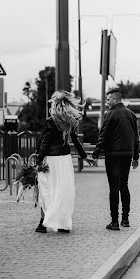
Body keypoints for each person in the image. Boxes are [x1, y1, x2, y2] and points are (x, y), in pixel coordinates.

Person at [35, 90, 94, 233]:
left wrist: (38, 160)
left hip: (50, 160)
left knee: (46, 190)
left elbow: (45, 142)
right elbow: (75, 141)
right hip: (65, 160)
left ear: (55, 105)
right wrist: (84, 156)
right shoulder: (70, 121)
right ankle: (63, 223)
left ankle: (43, 223)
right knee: (63, 191)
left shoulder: (50, 121)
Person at [91, 89, 139, 231]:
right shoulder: (132, 115)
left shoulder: (110, 114)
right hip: (127, 154)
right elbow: (136, 138)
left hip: (113, 155)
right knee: (124, 185)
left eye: (108, 99)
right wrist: (136, 157)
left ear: (116, 100)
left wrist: (95, 153)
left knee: (114, 187)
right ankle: (125, 219)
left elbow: (103, 135)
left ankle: (114, 222)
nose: (107, 102)